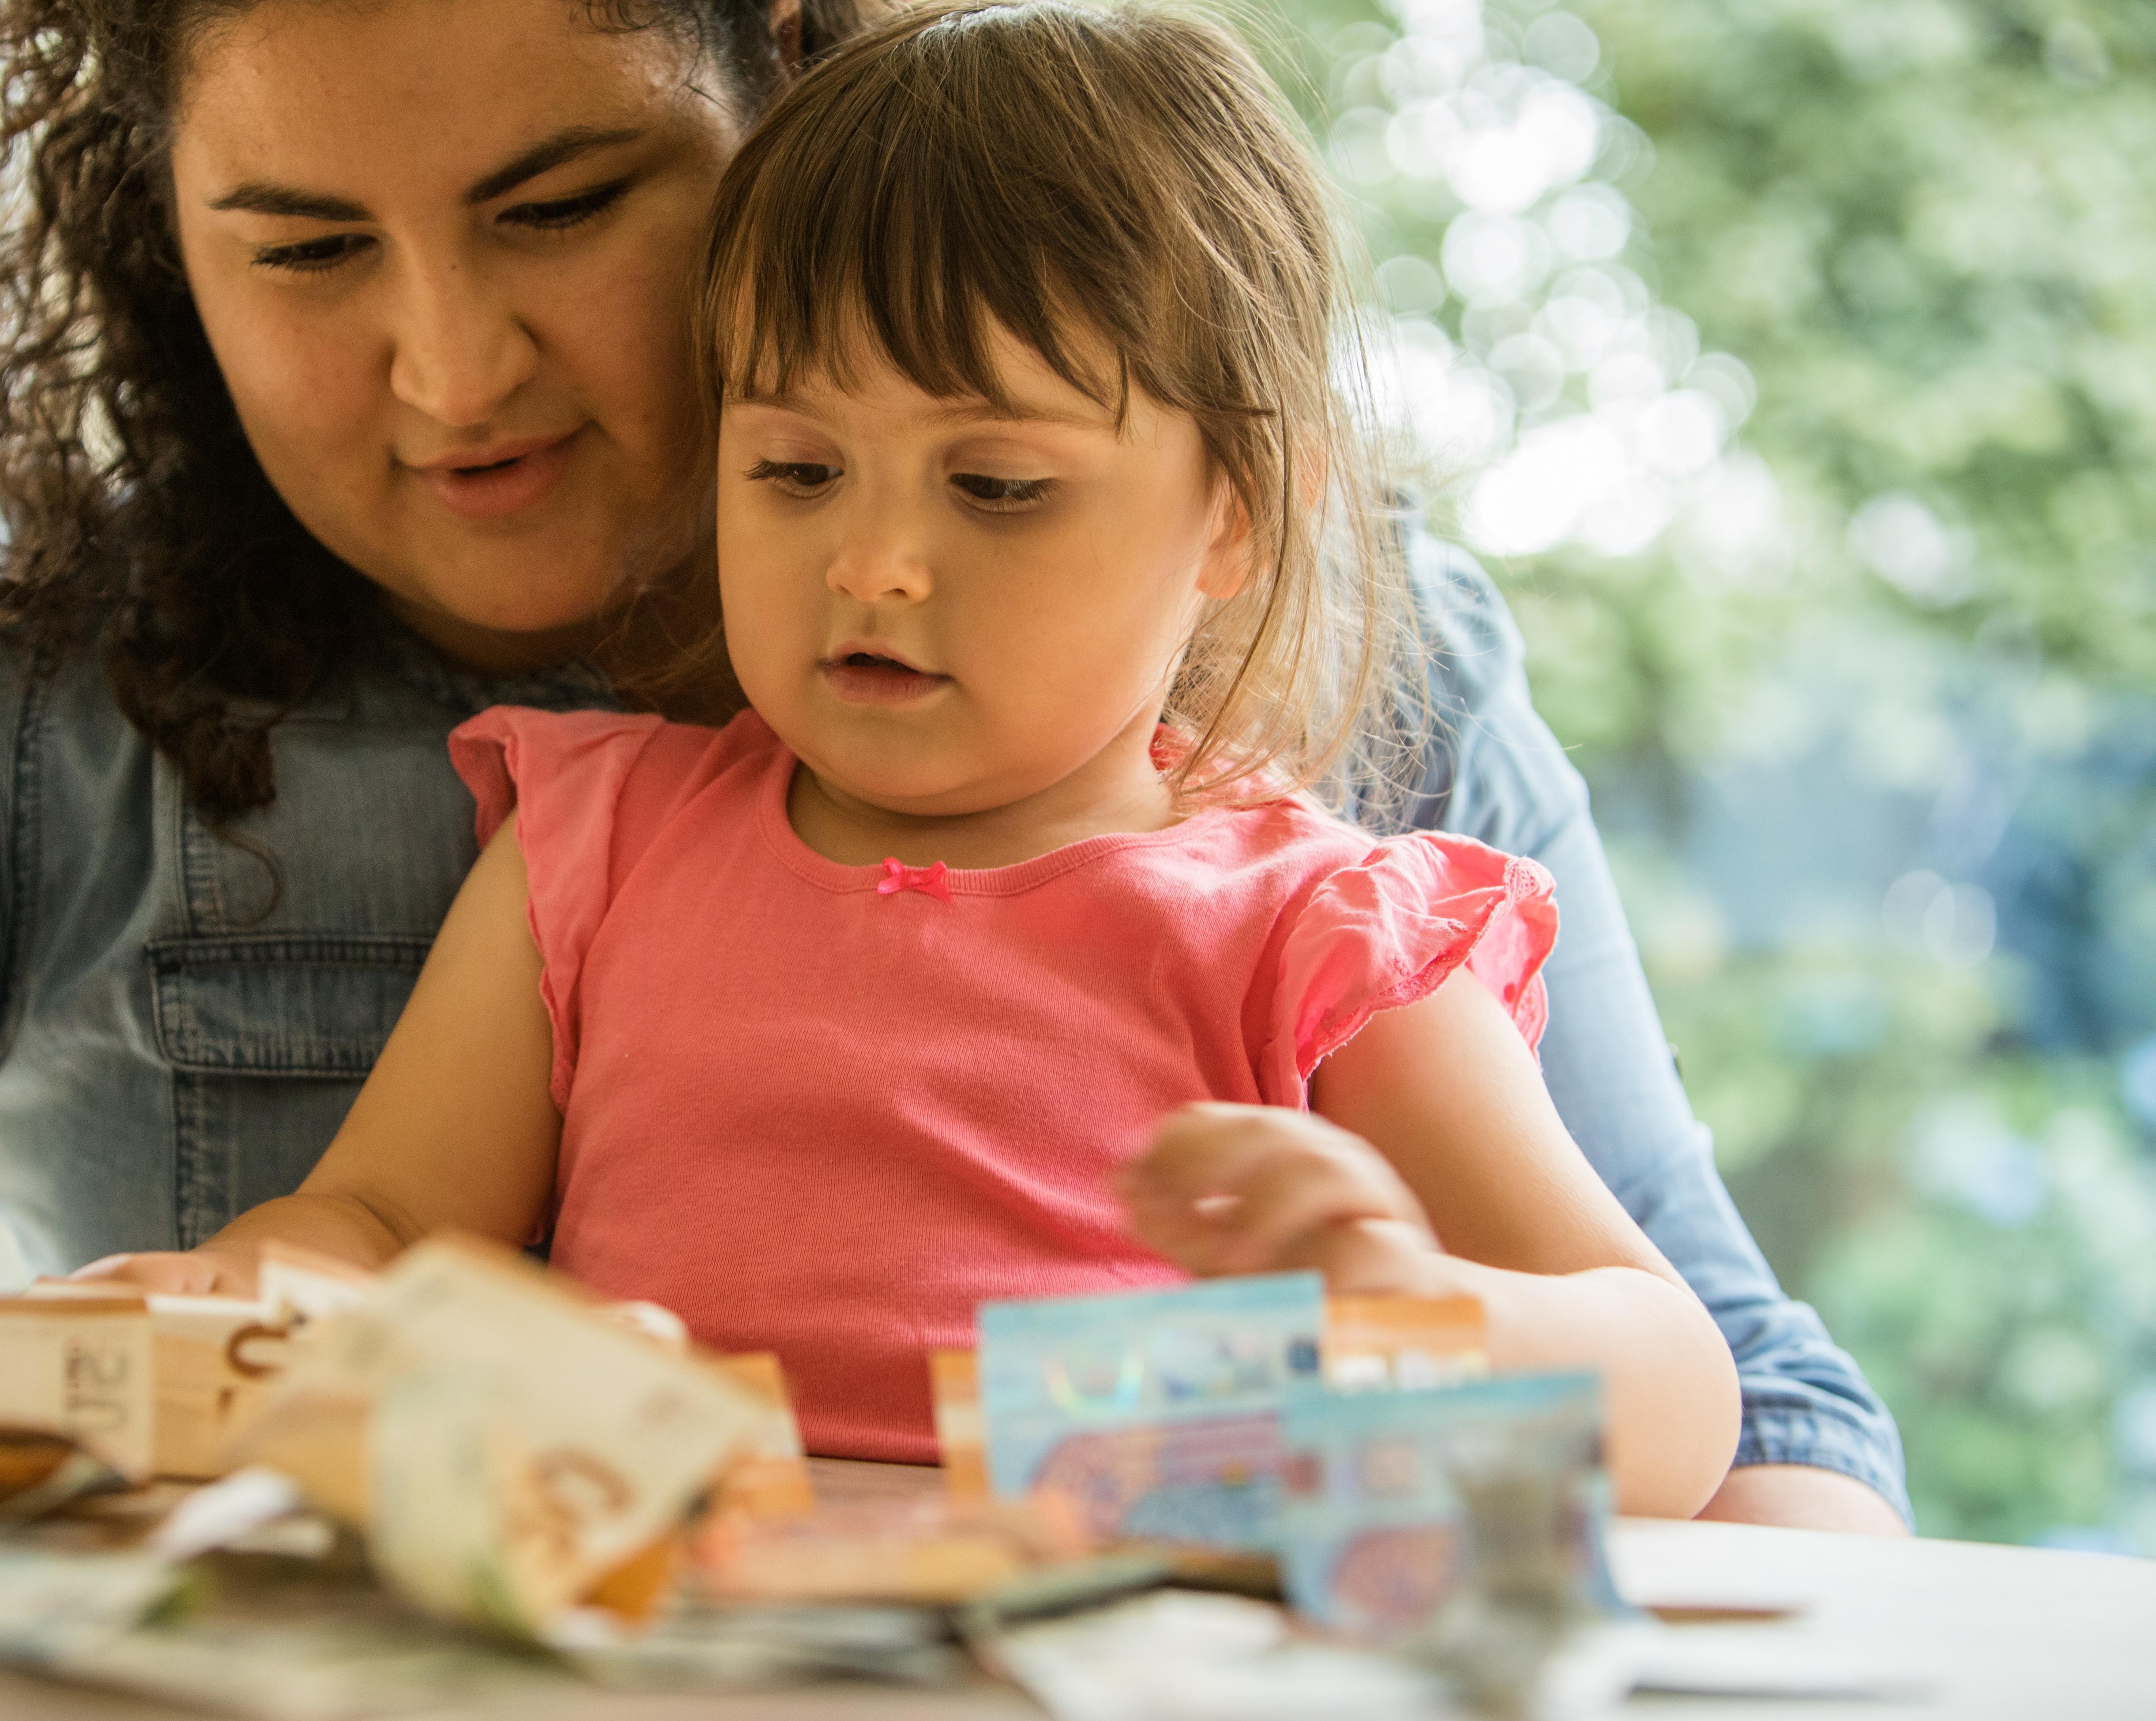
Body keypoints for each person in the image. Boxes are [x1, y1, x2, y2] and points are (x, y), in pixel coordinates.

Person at [0, 0, 1906, 1529]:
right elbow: (358, 1230)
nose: (451, 372)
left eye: (560, 206)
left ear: (782, 96)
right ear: (167, 250)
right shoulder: (458, 796)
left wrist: (1420, 1361)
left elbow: (1727, 1414)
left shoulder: (1338, 774)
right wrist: (249, 1307)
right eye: (308, 250)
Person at [85, 0, 1743, 1516]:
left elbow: (1675, 1391)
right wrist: (249, 1287)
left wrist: (1416, 1323)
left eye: (997, 486)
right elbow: (378, 1225)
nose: (873, 563)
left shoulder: (1318, 934)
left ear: (1238, 507)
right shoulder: (595, 848)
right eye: (798, 470)